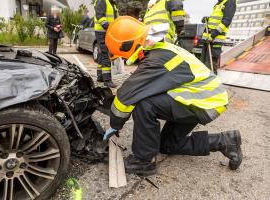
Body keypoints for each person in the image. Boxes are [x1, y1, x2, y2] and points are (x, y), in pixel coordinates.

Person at [103, 16, 243, 175]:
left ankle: (144, 161)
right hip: (201, 100)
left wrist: (115, 124)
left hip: (202, 102)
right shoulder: (161, 51)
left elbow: (126, 96)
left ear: (128, 46)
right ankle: (225, 141)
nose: (123, 58)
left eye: (121, 55)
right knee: (166, 145)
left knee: (144, 103)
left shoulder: (156, 60)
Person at [200, 0, 236, 73]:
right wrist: (208, 18)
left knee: (211, 64)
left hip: (215, 38)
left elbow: (226, 21)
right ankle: (204, 81)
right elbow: (216, 19)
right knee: (203, 63)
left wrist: (213, 35)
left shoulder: (230, 2)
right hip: (208, 38)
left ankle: (211, 81)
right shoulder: (220, 3)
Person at [94, 0, 119, 88]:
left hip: (107, 32)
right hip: (102, 32)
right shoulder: (102, 1)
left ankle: (100, 76)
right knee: (105, 54)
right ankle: (107, 80)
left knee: (102, 54)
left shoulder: (112, 3)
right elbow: (100, 17)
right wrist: (109, 28)